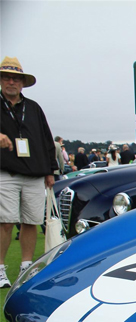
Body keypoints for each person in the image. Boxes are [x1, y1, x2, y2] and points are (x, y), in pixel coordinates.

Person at [0, 56, 56, 288]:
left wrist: (50, 170)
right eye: (6, 78)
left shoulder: (33, 108)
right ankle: (0, 269)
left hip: (34, 172)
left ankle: (26, 266)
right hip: (6, 172)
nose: (11, 82)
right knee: (6, 221)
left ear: (22, 83)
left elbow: (46, 139)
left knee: (31, 221)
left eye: (16, 79)